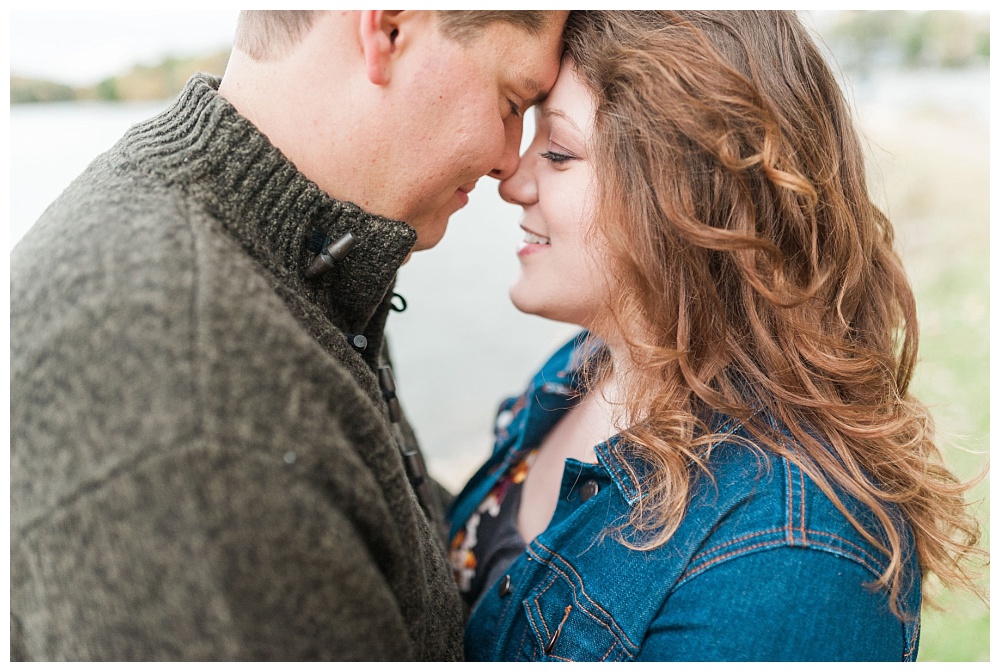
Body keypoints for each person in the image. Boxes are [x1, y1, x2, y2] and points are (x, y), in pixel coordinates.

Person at [10, 10, 568, 661]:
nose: (509, 159)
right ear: (387, 30)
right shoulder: (196, 398)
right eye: (510, 102)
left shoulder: (298, 252)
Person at [447, 10, 984, 662]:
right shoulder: (587, 365)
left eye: (557, 152)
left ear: (685, 193)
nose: (512, 178)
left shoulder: (797, 561)